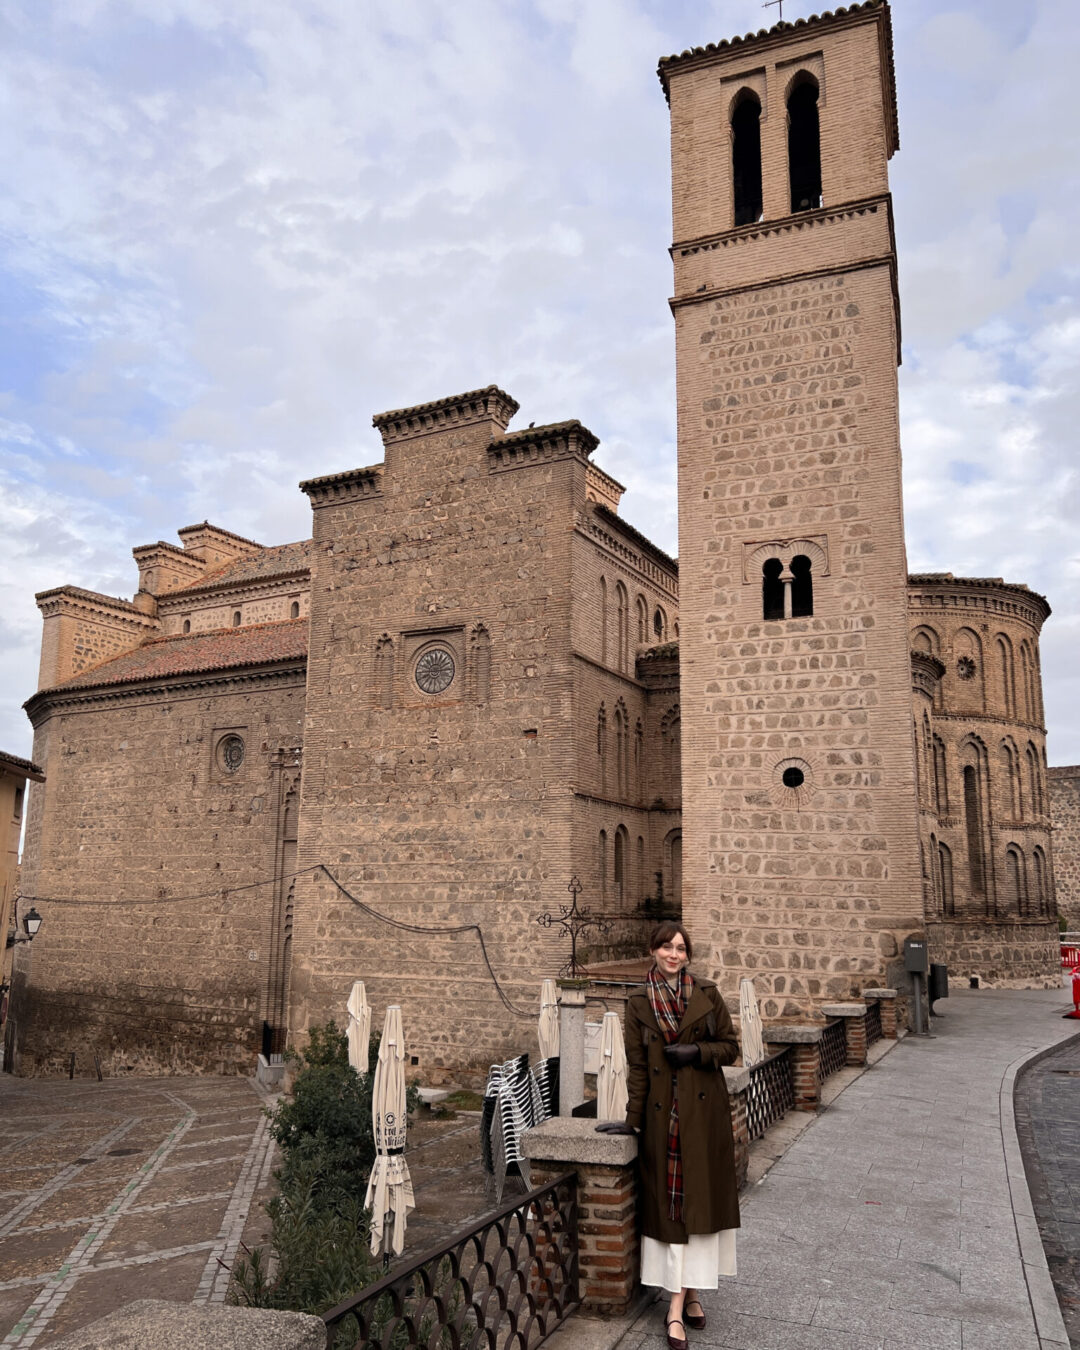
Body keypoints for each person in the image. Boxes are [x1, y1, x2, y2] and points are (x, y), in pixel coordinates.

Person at [597, 922, 740, 1349]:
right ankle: (689, 1295)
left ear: (688, 955)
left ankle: (675, 1310)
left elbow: (731, 1047)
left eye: (681, 948)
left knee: (696, 1210)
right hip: (664, 1120)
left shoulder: (708, 994)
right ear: (653, 951)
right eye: (666, 947)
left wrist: (697, 1051)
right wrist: (632, 1119)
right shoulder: (638, 1001)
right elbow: (637, 1067)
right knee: (674, 1211)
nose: (674, 954)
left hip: (703, 1115)